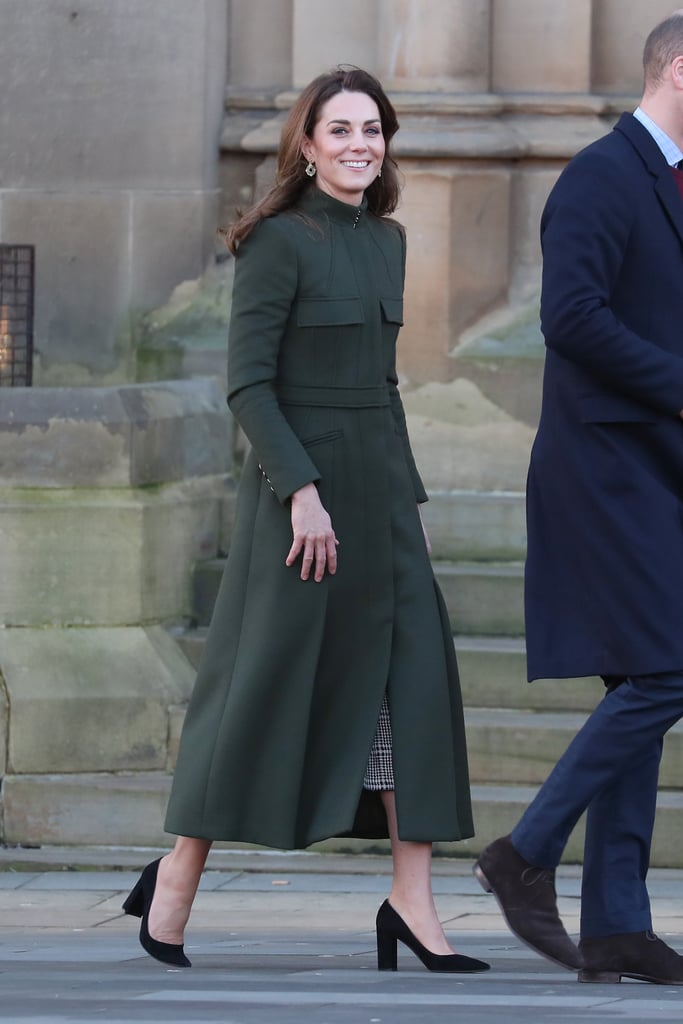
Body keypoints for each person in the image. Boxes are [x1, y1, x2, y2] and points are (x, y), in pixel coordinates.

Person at [123, 66, 488, 976]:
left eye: (373, 130)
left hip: (381, 500)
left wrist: (408, 500)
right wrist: (302, 492)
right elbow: (248, 384)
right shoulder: (276, 244)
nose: (360, 145)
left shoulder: (389, 241)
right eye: (341, 130)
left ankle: (412, 899)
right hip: (299, 504)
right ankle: (174, 880)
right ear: (307, 143)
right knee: (259, 691)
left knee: (415, 690)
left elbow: (385, 386)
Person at [473, 11, 683, 986]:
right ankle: (523, 852)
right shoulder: (600, 175)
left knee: (642, 671)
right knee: (665, 670)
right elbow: (570, 319)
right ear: (676, 73)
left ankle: (613, 923)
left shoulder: (666, 181)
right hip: (601, 470)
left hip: (652, 468)